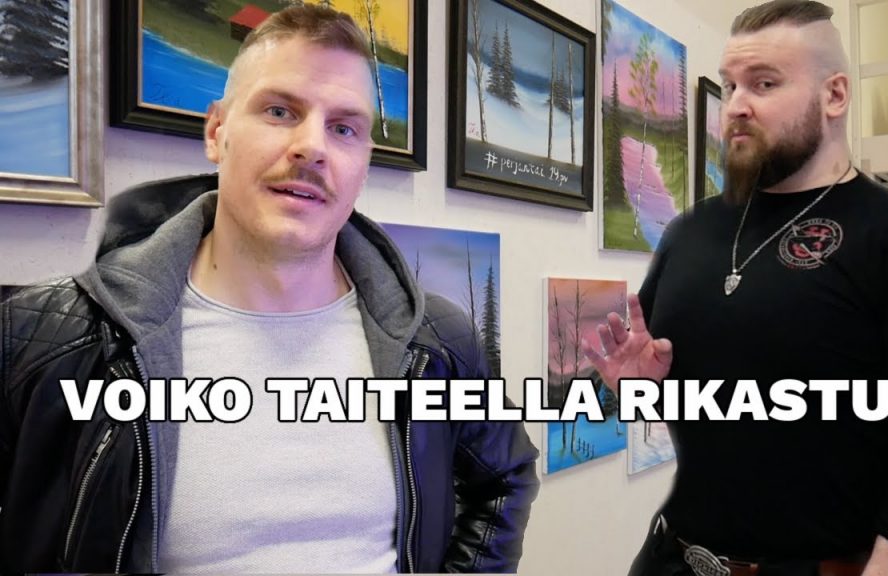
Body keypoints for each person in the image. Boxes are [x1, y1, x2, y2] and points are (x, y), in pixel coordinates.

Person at [0, 5, 538, 573]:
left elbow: (505, 478)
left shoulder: (437, 342)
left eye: (344, 128)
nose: (312, 147)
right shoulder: (45, 338)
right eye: (280, 111)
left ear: (364, 161)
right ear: (217, 132)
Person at [584, 1, 888, 575]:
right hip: (672, 558)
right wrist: (643, 392)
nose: (736, 105)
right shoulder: (690, 233)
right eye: (730, 84)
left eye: (764, 83)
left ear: (834, 95)